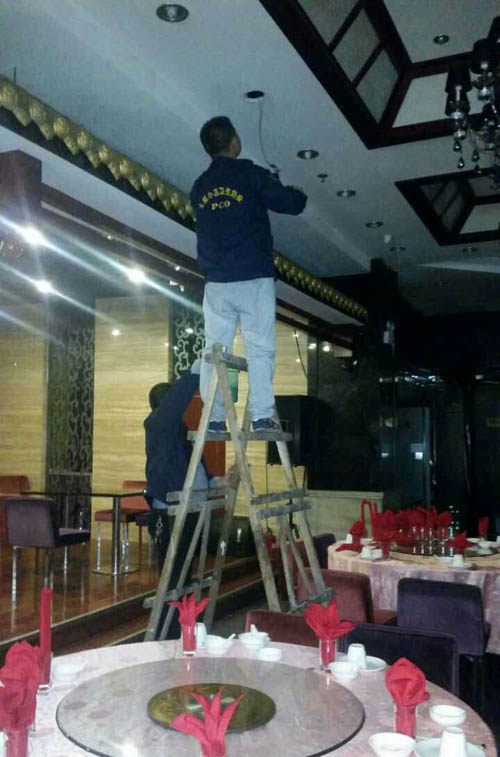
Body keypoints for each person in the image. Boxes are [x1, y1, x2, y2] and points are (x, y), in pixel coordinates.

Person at [190, 116, 307, 433]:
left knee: (216, 352)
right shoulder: (250, 174)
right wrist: (297, 193)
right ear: (234, 142)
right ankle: (260, 416)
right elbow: (290, 204)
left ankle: (214, 419)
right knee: (260, 348)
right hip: (253, 277)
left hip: (216, 283)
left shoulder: (200, 186)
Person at [144, 360, 207, 637]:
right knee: (172, 573)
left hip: (187, 507)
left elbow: (193, 460)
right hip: (169, 510)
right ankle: (169, 630)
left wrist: (213, 480)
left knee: (184, 570)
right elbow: (174, 404)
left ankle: (185, 625)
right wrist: (192, 375)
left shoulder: (176, 430)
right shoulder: (158, 424)